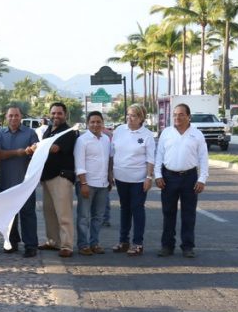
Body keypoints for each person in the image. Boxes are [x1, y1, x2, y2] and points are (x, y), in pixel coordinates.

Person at [154, 103, 209, 258]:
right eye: (175, 114)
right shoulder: (166, 133)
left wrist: (202, 178)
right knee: (168, 213)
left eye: (181, 114)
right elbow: (159, 155)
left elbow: (203, 158)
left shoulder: (197, 134)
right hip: (168, 177)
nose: (177, 117)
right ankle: (167, 246)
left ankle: (187, 246)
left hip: (189, 178)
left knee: (189, 214)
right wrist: (158, 175)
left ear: (188, 116)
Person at [111, 104, 156, 256]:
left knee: (137, 209)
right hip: (120, 177)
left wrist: (149, 177)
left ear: (141, 118)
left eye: (134, 116)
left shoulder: (147, 135)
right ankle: (123, 241)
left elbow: (151, 158)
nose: (129, 118)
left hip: (138, 179)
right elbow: (113, 152)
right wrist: (110, 172)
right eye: (128, 115)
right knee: (124, 208)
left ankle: (138, 243)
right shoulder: (119, 131)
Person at [0, 106, 39, 257]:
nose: (13, 118)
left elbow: (37, 152)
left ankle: (30, 245)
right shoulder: (0, 134)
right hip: (7, 181)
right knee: (9, 214)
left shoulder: (30, 133)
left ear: (21, 117)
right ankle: (11, 243)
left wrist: (33, 150)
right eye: (10, 116)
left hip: (26, 182)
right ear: (6, 117)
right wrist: (19, 152)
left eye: (16, 115)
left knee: (28, 214)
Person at [39, 102, 80, 258]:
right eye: (53, 113)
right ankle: (53, 241)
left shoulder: (69, 132)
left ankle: (66, 245)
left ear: (65, 114)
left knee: (64, 214)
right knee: (49, 212)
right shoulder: (49, 130)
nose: (56, 116)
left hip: (61, 177)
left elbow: (55, 148)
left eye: (59, 113)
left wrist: (38, 146)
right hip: (47, 177)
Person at [74, 111, 113, 256]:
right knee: (83, 217)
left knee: (98, 217)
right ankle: (83, 245)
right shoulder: (82, 140)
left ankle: (94, 243)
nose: (96, 124)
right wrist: (83, 183)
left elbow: (109, 160)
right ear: (88, 124)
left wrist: (110, 177)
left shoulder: (106, 140)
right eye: (92, 122)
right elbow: (79, 163)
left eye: (98, 122)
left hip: (102, 184)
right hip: (87, 184)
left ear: (102, 123)